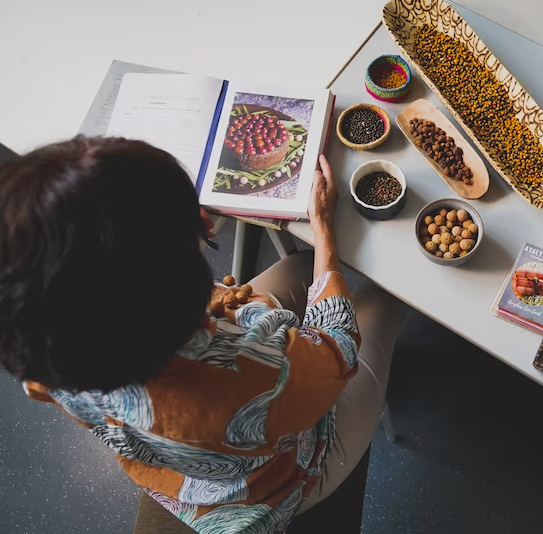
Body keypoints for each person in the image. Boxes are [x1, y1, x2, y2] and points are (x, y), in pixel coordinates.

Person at [0, 136, 406, 534]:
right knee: (383, 298)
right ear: (178, 287)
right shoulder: (251, 378)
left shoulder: (42, 346)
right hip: (274, 483)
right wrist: (325, 235)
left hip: (178, 472)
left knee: (301, 267)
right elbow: (337, 350)